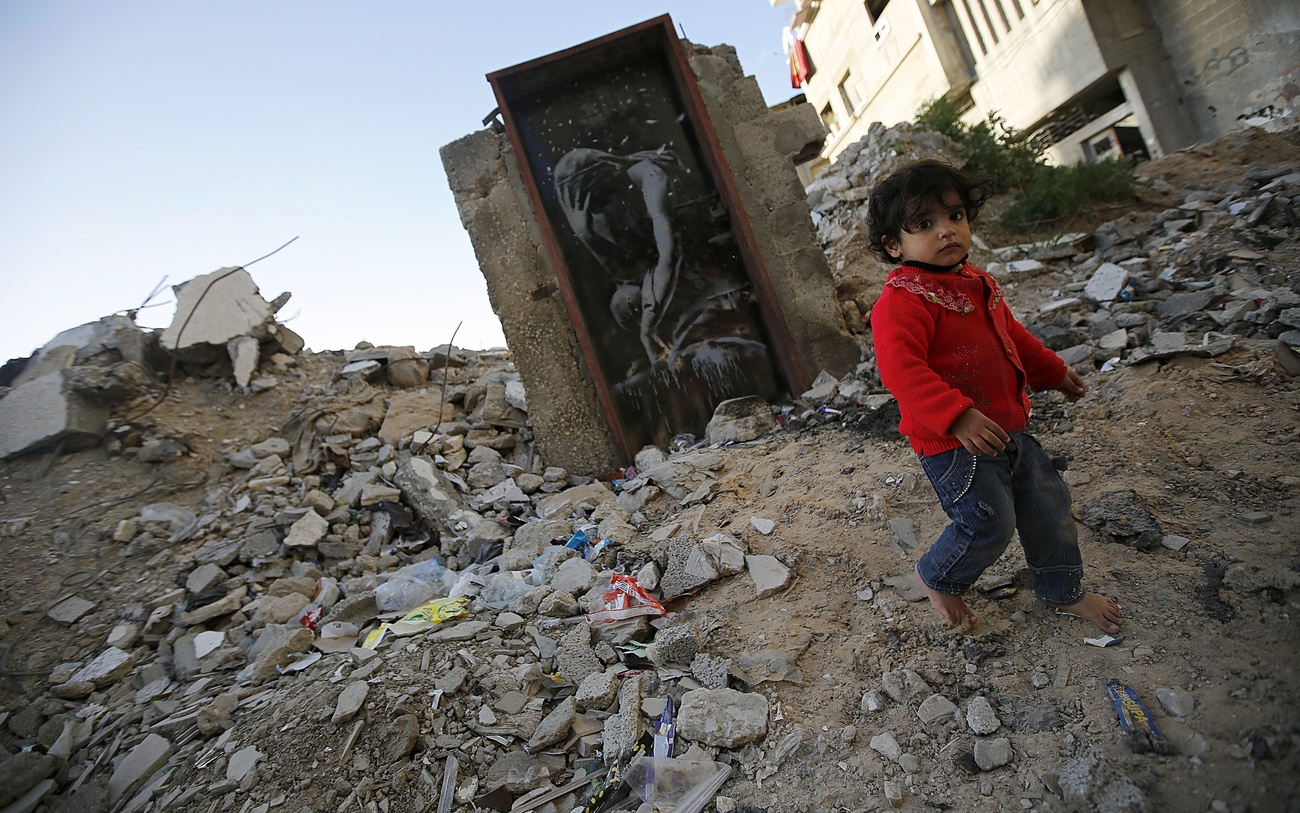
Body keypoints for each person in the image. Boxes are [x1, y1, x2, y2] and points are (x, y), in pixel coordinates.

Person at [867, 159, 1121, 634]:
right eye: (924, 224)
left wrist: (1052, 372)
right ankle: (939, 575)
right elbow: (902, 372)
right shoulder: (901, 302)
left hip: (1010, 426)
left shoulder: (976, 282)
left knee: (1050, 508)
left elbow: (1013, 337)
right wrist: (957, 416)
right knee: (989, 522)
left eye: (955, 216)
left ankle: (1063, 589)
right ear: (893, 245)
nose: (946, 231)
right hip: (953, 444)